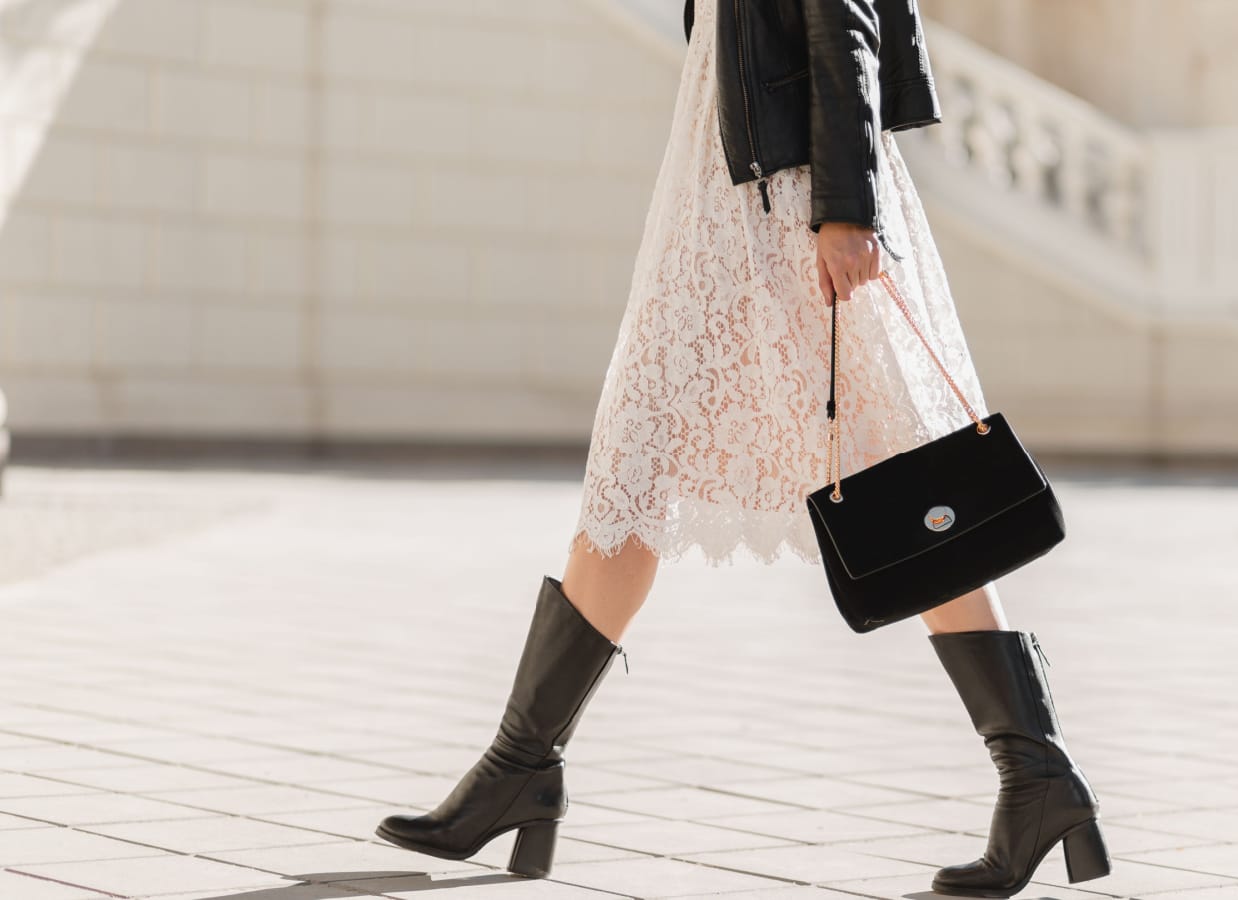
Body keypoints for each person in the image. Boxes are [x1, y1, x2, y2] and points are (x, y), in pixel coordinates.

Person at [373, 0, 1109, 896]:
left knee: (908, 485)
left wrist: (846, 209)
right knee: (633, 476)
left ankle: (1035, 775)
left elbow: (844, 19)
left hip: (795, 204)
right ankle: (518, 764)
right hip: (725, 193)